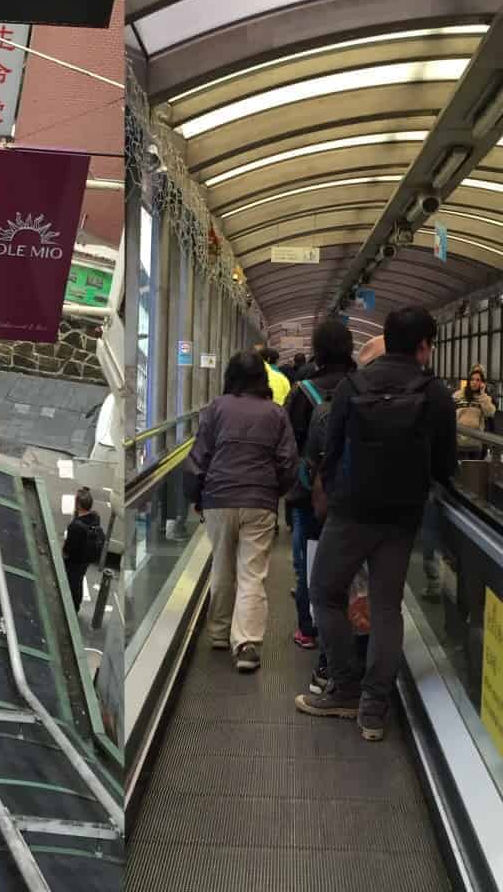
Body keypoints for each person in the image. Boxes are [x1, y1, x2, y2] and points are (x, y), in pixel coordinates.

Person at [296, 307, 456, 741]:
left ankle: (344, 687)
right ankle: (373, 708)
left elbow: (331, 448)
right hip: (403, 516)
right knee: (387, 607)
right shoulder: (435, 392)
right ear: (424, 346)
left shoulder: (354, 385)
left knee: (324, 593)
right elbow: (445, 464)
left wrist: (336, 490)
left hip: (351, 511)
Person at [184, 351, 298, 672]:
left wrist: (196, 495)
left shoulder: (217, 408)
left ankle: (219, 633)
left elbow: (199, 455)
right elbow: (288, 461)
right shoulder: (276, 413)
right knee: (252, 574)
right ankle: (246, 644)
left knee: (221, 566)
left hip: (218, 497)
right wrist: (275, 493)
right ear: (262, 379)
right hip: (260, 501)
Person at [284, 319, 355, 651]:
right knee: (351, 567)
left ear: (318, 350)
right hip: (353, 492)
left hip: (310, 493)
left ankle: (308, 630)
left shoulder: (302, 392)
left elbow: (289, 445)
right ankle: (348, 629)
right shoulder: (360, 387)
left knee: (307, 563)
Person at [61, 488, 105, 611]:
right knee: (78, 581)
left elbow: (67, 551)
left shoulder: (75, 526)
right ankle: (76, 604)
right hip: (85, 560)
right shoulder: (95, 517)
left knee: (72, 582)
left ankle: (72, 607)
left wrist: (64, 551)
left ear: (78, 505)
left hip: (75, 561)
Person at [454, 364, 495, 459]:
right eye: (472, 379)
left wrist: (482, 394)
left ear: (482, 382)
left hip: (476, 443)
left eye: (478, 380)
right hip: (459, 442)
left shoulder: (484, 398)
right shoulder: (458, 395)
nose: (474, 382)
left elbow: (490, 413)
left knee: (475, 471)